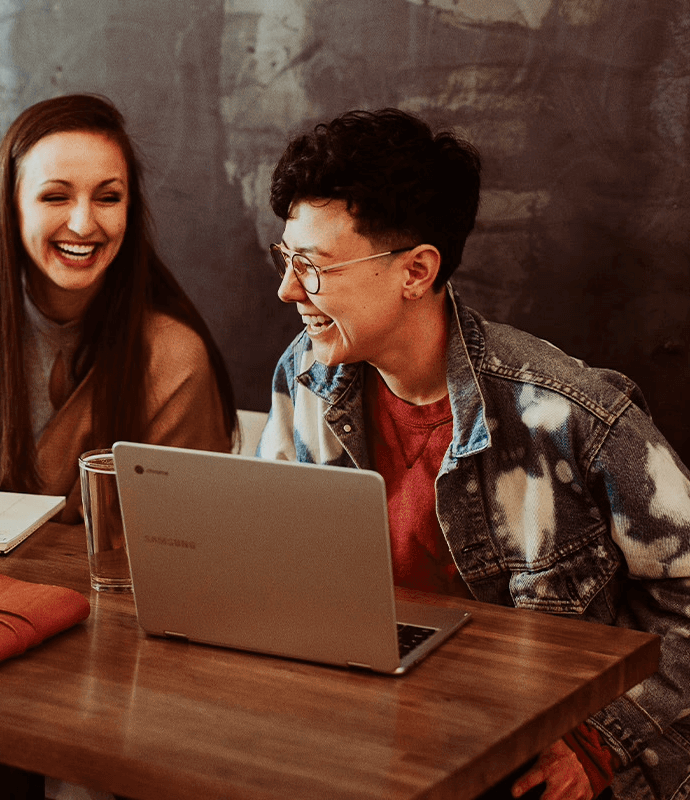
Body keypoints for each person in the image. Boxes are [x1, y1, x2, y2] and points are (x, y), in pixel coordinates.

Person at [257, 108, 690, 800]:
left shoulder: (569, 414)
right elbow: (275, 560)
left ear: (416, 270)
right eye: (287, 258)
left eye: (313, 266)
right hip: (368, 736)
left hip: (522, 758)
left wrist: (601, 741)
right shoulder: (305, 375)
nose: (288, 290)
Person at [0, 93, 236, 518]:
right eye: (55, 197)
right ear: (12, 207)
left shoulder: (175, 359)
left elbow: (190, 544)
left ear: (130, 210)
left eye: (108, 198)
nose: (83, 224)